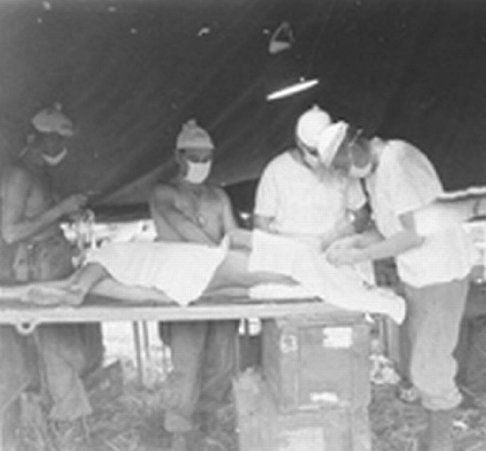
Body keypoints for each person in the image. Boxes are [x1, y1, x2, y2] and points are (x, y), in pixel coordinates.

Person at [319, 123, 477, 451]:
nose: (347, 174)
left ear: (353, 146)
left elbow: (414, 234)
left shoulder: (399, 161)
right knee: (420, 365)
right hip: (420, 275)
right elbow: (390, 229)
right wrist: (355, 240)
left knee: (428, 368)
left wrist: (362, 255)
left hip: (440, 273)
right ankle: (432, 437)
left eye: (343, 166)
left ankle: (440, 443)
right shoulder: (374, 174)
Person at [0, 104, 103, 449]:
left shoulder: (41, 172)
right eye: (52, 140)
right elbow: (11, 232)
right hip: (36, 265)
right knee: (58, 344)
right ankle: (69, 428)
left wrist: (68, 211)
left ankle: (67, 420)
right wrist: (59, 209)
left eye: (61, 140)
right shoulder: (19, 175)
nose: (58, 148)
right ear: (34, 138)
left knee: (71, 343)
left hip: (53, 257)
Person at [148, 119, 251, 445]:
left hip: (217, 286)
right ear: (179, 157)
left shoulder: (217, 195)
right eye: (195, 157)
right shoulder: (164, 192)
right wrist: (211, 248)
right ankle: (180, 430)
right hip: (183, 288)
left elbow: (232, 233)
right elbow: (178, 225)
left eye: (207, 158)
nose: (202, 165)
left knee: (221, 360)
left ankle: (206, 423)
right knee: (187, 365)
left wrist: (261, 244)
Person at [254, 105, 369, 251]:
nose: (320, 159)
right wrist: (279, 252)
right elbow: (261, 222)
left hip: (334, 249)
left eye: (325, 152)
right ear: (299, 142)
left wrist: (344, 233)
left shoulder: (341, 166)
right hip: (291, 252)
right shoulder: (277, 170)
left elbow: (362, 214)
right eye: (314, 152)